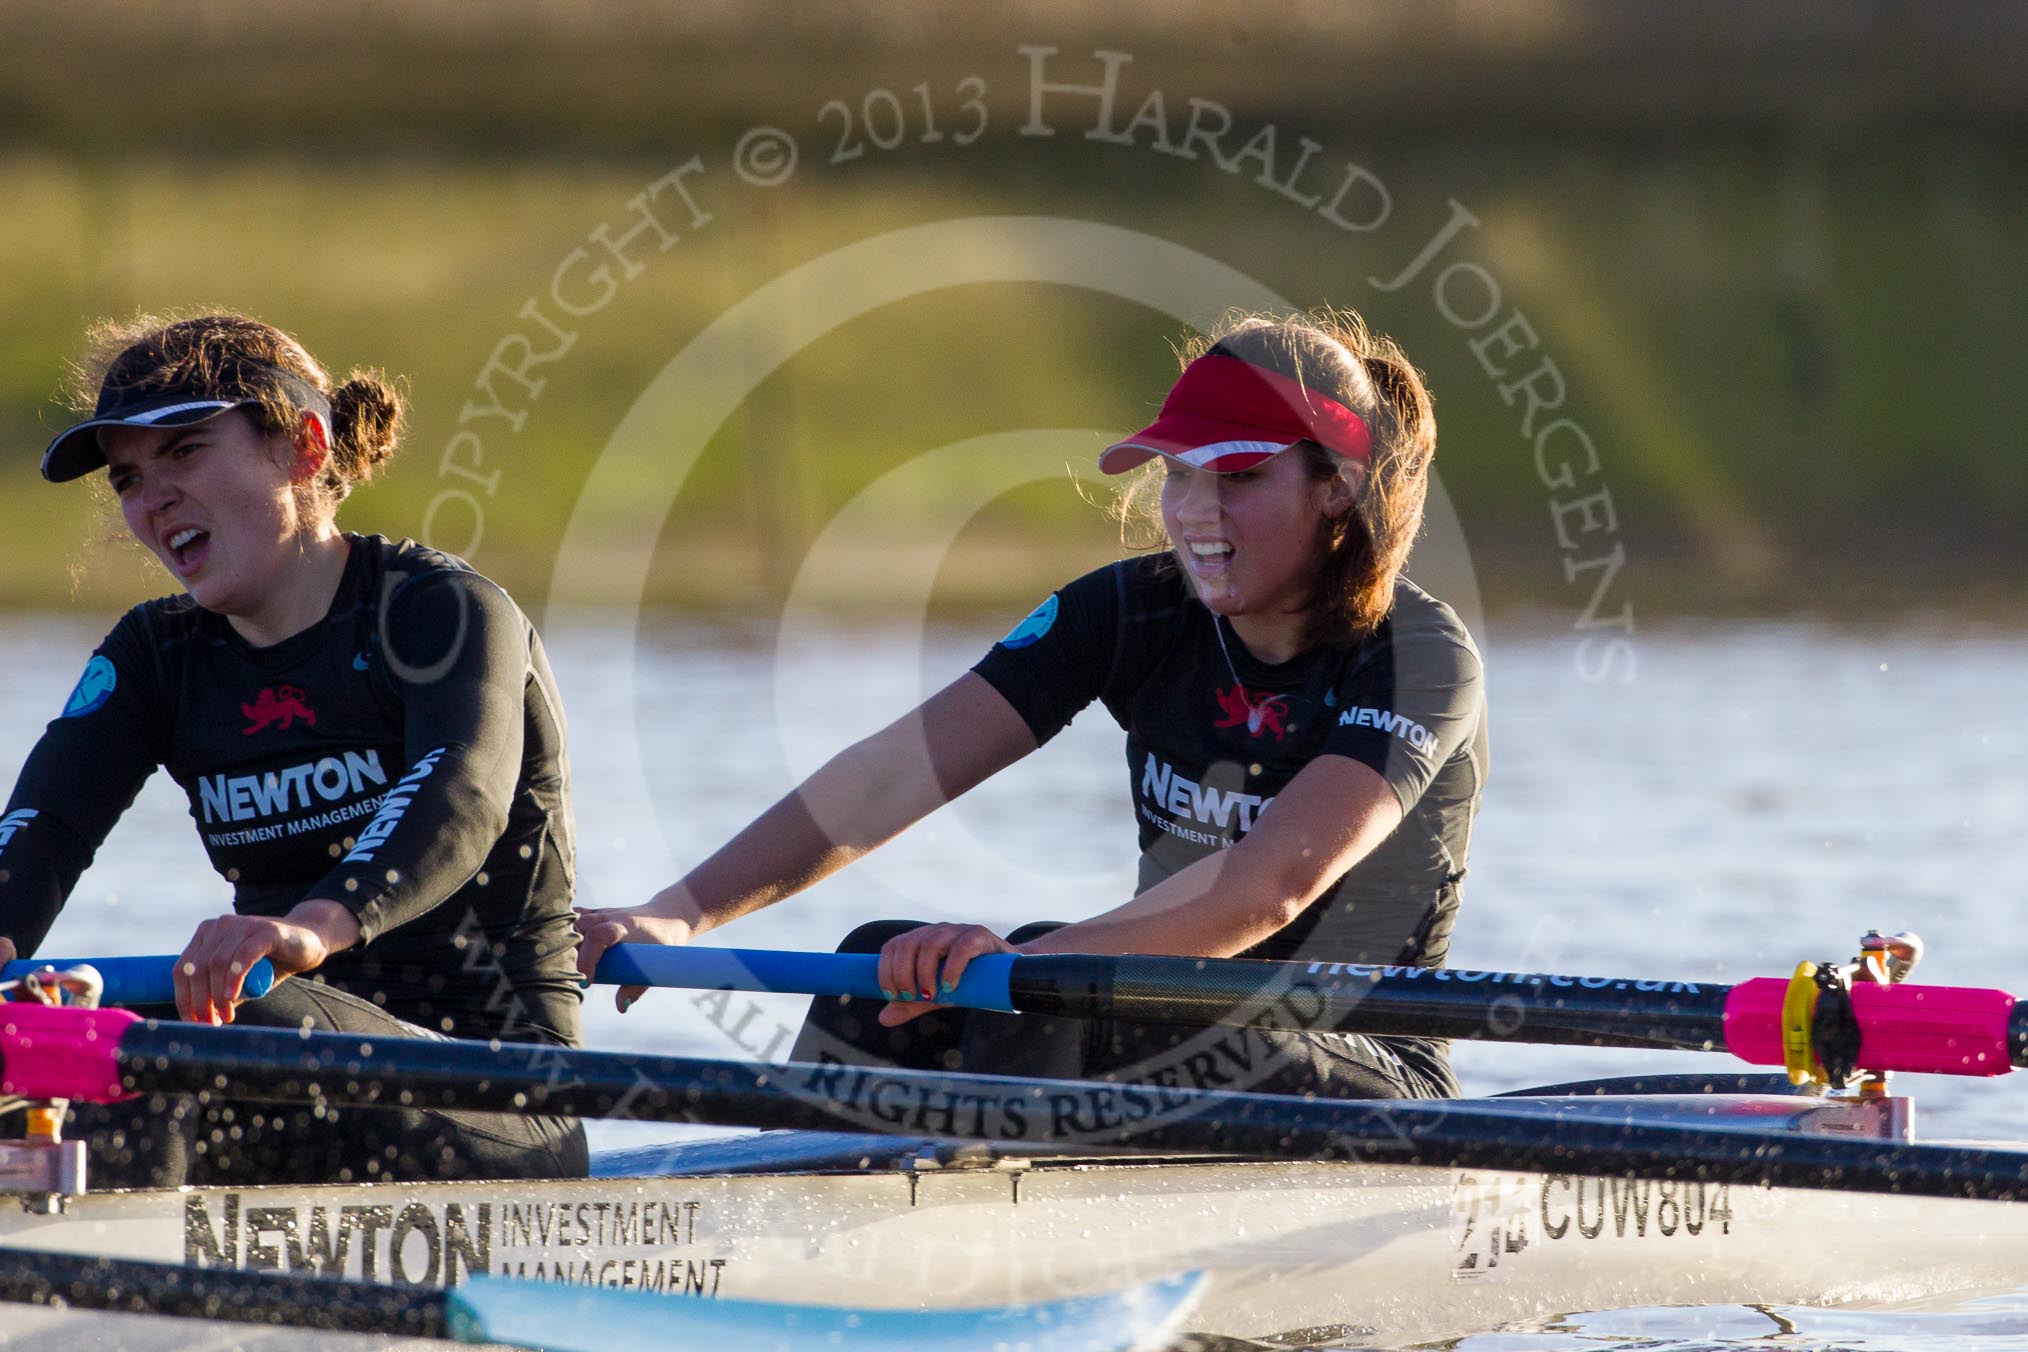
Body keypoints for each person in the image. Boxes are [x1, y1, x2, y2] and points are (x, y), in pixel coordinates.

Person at [577, 310, 1487, 1103]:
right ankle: (789, 1229)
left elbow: (1267, 887)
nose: (1197, 512)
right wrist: (678, 912)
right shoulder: (1129, 613)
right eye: (1177, 474)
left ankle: (997, 1246)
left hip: (1367, 1064)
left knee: (1040, 975)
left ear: (1338, 485)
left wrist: (1025, 966)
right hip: (1157, 1019)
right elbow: (890, 774)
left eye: (1239, 477)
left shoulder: (1418, 660)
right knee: (878, 963)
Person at [0, 312, 586, 1184]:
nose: (151, 499)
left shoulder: (440, 613)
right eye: (129, 477)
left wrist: (308, 929)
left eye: (186, 451)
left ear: (303, 448)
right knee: (59, 1062)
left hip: (501, 1095)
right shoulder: (155, 656)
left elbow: (458, 797)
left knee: (209, 1024)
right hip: (291, 1068)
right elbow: (38, 838)